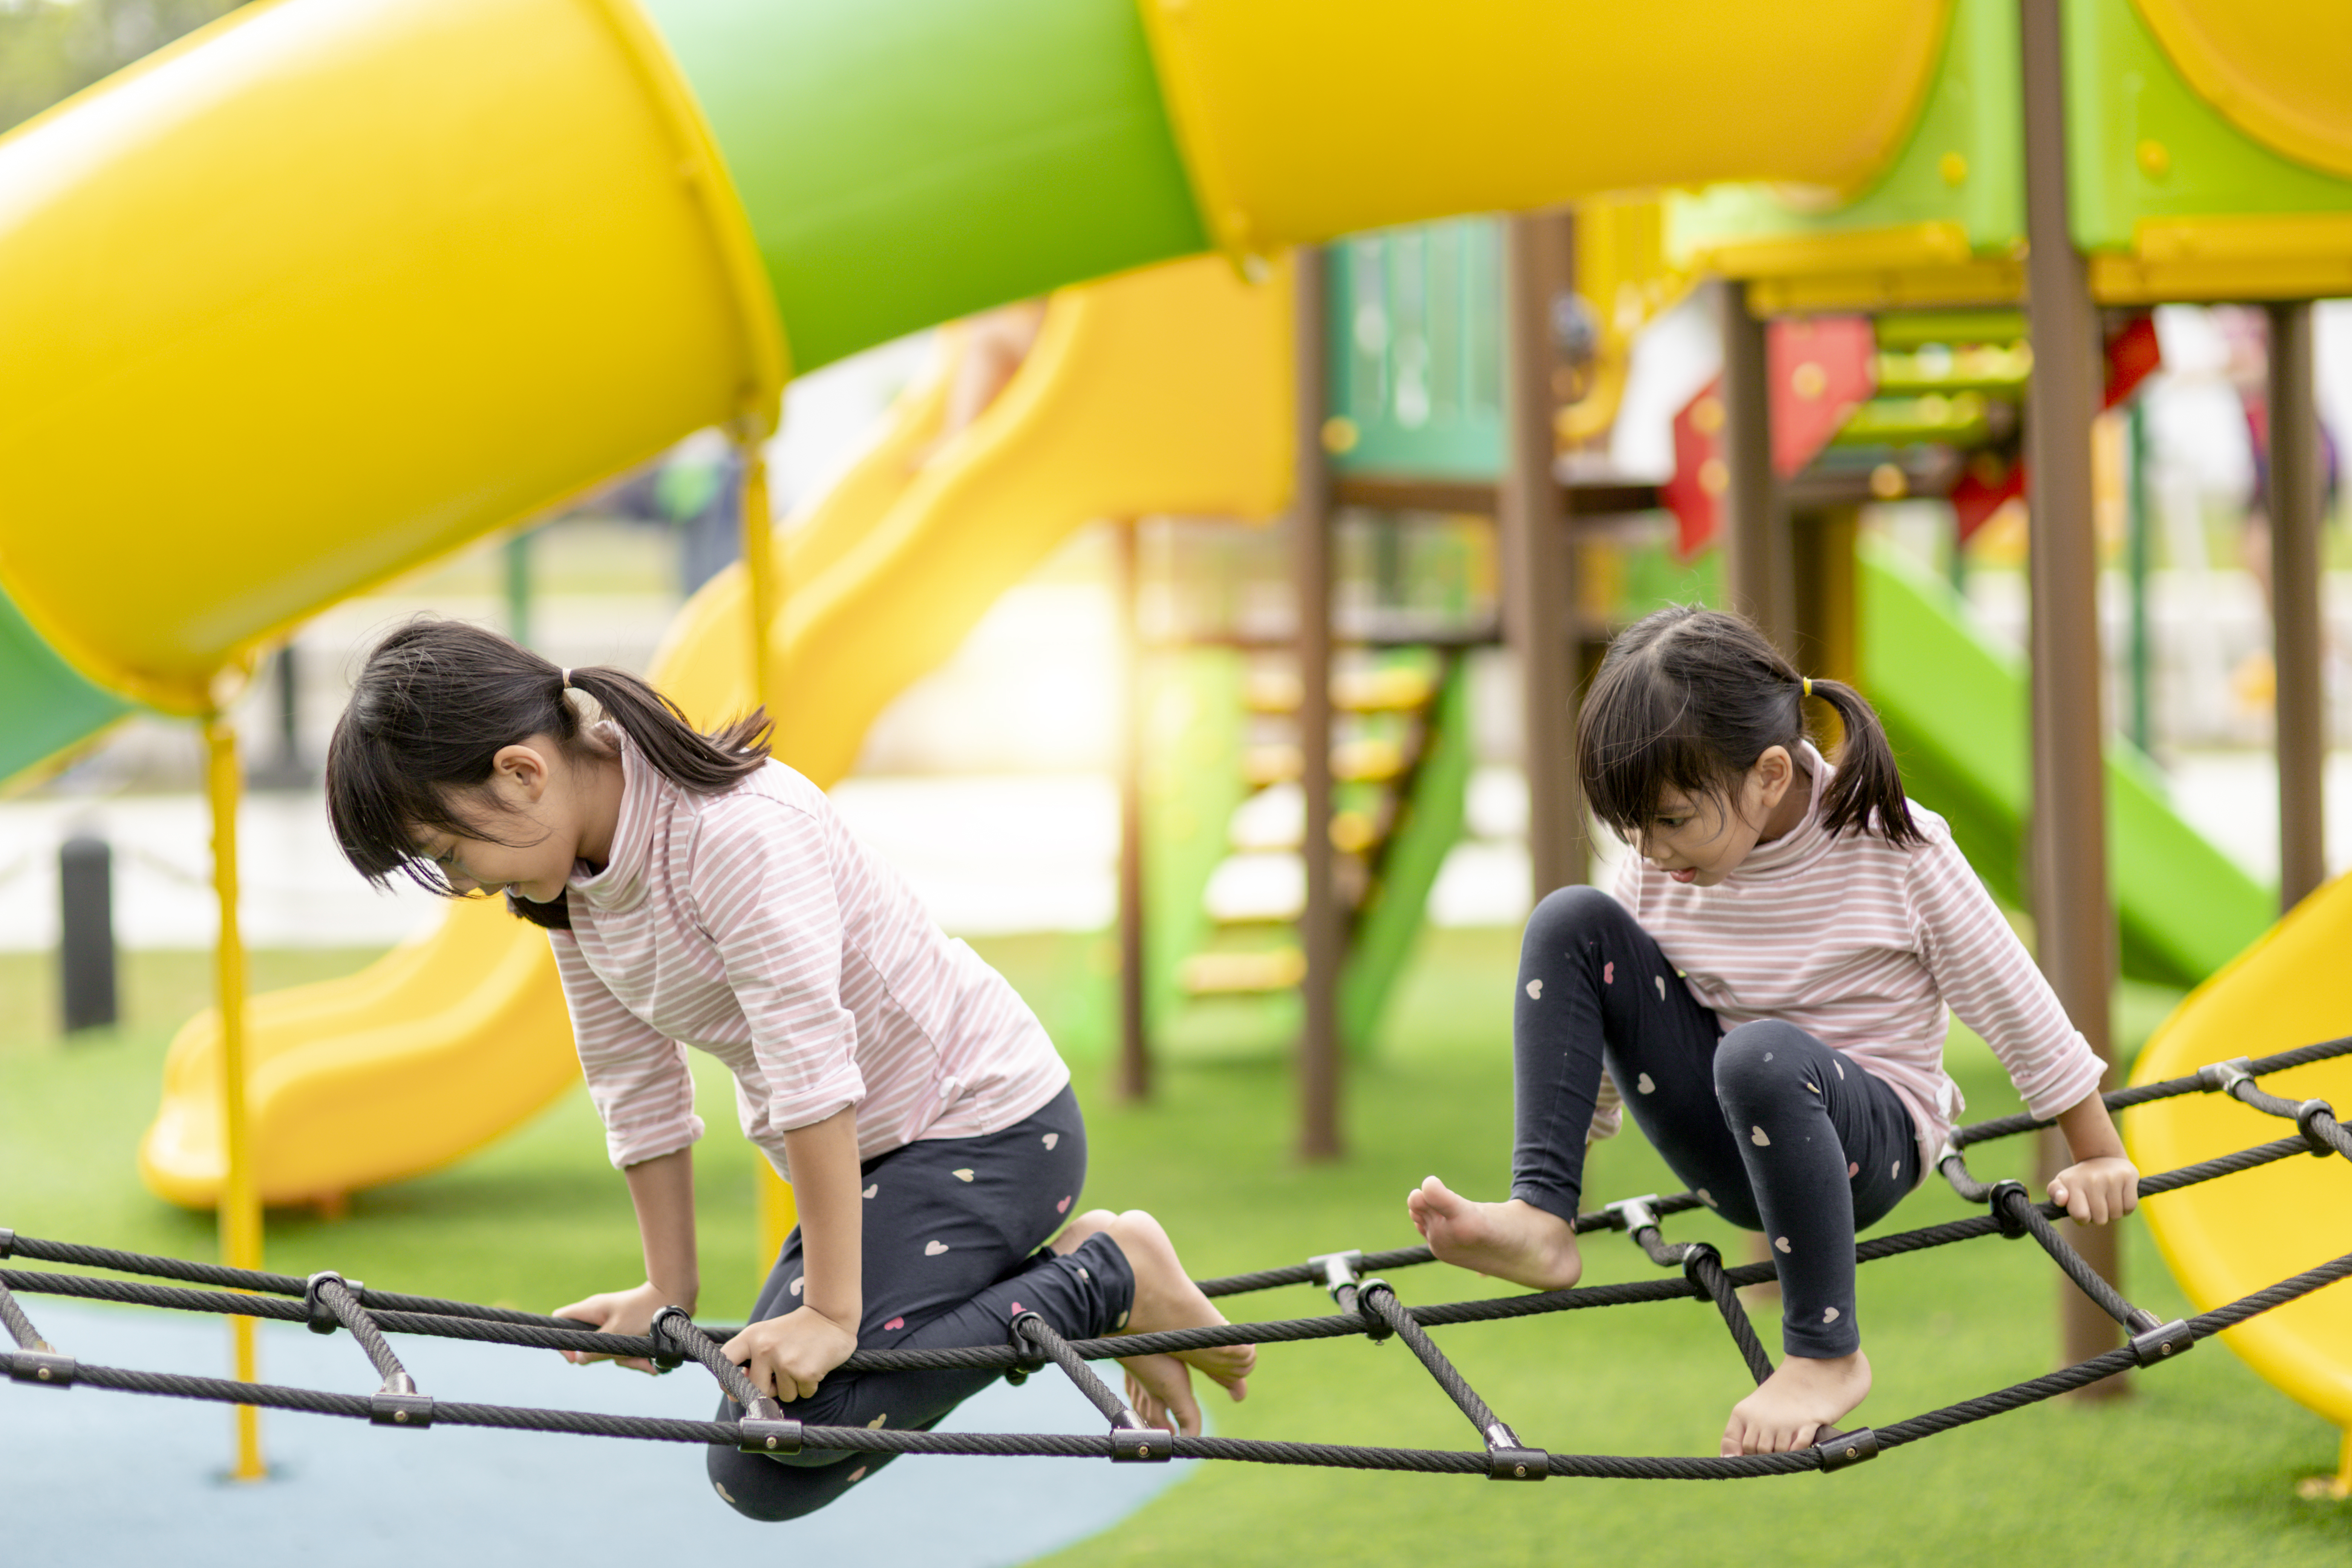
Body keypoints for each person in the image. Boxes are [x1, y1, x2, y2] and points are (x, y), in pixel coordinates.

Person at [325, 619, 1252, 1519]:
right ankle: (1083, 1281)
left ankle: (1111, 1274)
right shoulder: (573, 881)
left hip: (987, 1128)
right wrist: (667, 1290)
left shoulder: (734, 835)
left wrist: (833, 1314)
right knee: (766, 1460)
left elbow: (811, 1071)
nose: (467, 886)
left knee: (785, 1437)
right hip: (871, 1166)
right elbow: (633, 1081)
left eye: (451, 855)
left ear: (522, 772)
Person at [1405, 605, 2136, 1456]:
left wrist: (2096, 1151)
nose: (1651, 848)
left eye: (1671, 819)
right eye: (1632, 826)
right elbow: (1607, 1008)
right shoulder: (1659, 864)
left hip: (1868, 1143)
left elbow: (2016, 1001)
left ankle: (1828, 1354)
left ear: (1770, 773)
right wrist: (1579, 1141)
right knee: (1572, 920)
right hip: (1731, 1136)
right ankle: (1541, 1217)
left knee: (1761, 1053)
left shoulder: (1896, 848)